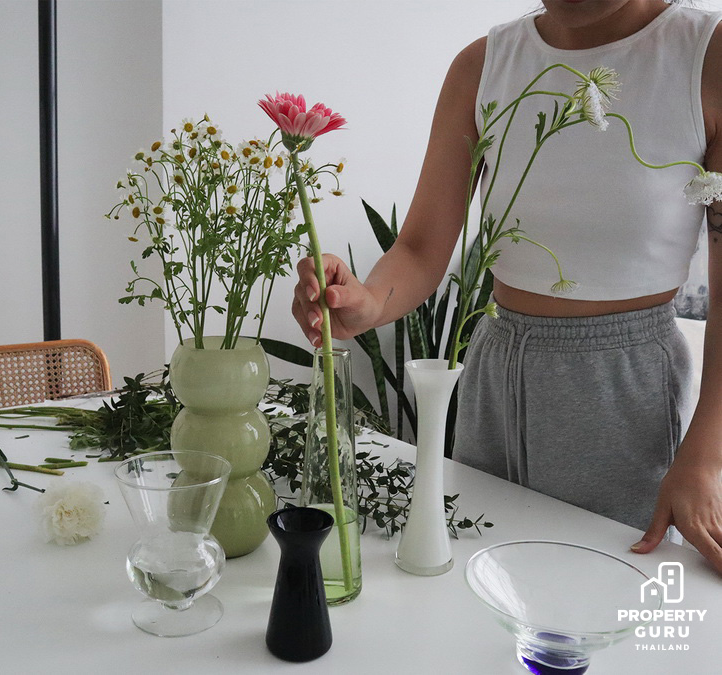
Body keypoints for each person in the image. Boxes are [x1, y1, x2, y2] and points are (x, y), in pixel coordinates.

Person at [291, 0, 722, 574]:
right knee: (482, 578)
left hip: (625, 392)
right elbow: (419, 248)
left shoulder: (705, 58)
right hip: (495, 373)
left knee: (607, 593)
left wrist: (704, 457)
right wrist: (367, 304)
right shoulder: (484, 65)